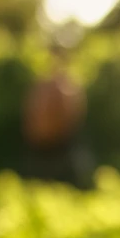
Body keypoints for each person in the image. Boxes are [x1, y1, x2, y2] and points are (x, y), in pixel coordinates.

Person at [22, 46, 93, 187]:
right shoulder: (43, 85)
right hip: (41, 142)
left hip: (61, 140)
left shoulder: (67, 86)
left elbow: (74, 112)